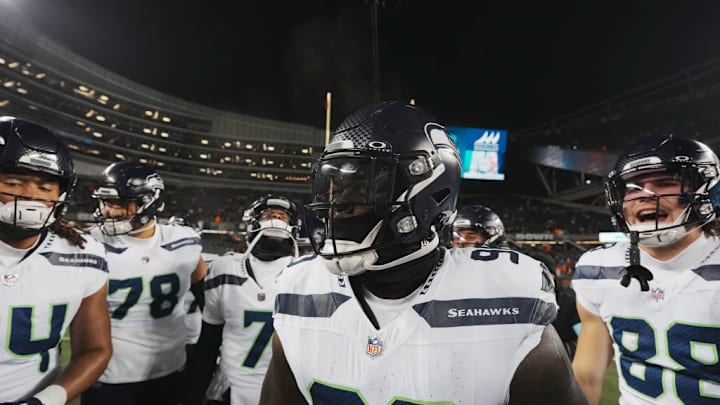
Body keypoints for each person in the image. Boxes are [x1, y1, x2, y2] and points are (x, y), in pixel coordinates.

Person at [259, 101, 587, 404]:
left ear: (430, 191)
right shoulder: (297, 289)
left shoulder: (506, 303)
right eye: (338, 186)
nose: (339, 205)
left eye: (366, 185)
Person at [572, 135, 720, 405]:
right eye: (633, 187)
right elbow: (586, 377)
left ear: (704, 193)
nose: (646, 195)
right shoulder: (597, 269)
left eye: (665, 183)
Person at [0, 117, 112, 405]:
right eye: (13, 181)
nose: (30, 196)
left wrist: (45, 401)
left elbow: (95, 349)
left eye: (45, 187)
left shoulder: (84, 254)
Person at [81, 161, 208, 405]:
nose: (112, 211)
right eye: (108, 203)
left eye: (122, 204)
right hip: (110, 374)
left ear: (151, 202)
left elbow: (207, 301)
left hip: (171, 368)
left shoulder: (185, 241)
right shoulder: (88, 244)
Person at [186, 194, 299, 405]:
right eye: (268, 215)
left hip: (285, 392)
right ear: (252, 224)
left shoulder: (306, 275)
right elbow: (209, 344)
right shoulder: (225, 269)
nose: (274, 220)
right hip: (229, 388)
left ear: (293, 227)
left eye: (281, 217)